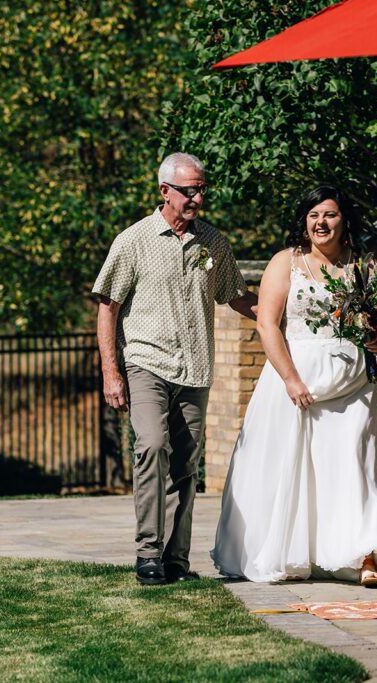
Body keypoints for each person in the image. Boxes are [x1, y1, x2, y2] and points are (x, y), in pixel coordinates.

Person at [211, 186, 377, 586]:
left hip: (352, 385)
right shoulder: (286, 263)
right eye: (314, 215)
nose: (321, 223)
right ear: (304, 222)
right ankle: (295, 552)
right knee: (295, 469)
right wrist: (291, 379)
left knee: (357, 466)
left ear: (344, 220)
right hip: (296, 383)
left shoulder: (365, 267)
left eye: (330, 215)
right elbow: (266, 322)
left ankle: (364, 557)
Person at [93, 152, 258, 585]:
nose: (197, 198)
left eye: (202, 189)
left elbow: (234, 295)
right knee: (151, 446)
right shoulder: (133, 240)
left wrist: (283, 315)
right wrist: (112, 373)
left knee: (186, 464)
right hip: (146, 362)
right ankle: (147, 552)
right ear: (164, 190)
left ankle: (175, 559)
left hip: (195, 367)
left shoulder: (213, 243)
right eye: (189, 190)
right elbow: (107, 308)